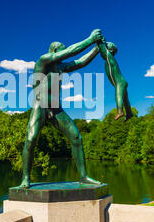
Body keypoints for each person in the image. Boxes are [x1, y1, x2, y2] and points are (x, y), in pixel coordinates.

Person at [19, 29, 104, 188]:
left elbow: (80, 62)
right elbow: (71, 52)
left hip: (56, 108)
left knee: (76, 138)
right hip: (40, 106)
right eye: (62, 50)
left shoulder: (60, 67)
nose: (64, 52)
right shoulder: (43, 61)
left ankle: (83, 176)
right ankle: (25, 179)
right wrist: (91, 39)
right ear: (54, 51)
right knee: (30, 140)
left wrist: (97, 49)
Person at [97, 40, 133, 121]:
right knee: (125, 100)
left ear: (110, 50)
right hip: (121, 82)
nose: (100, 53)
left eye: (104, 50)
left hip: (120, 83)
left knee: (118, 96)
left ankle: (120, 111)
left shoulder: (109, 57)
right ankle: (129, 113)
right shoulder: (108, 60)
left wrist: (98, 40)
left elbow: (101, 47)